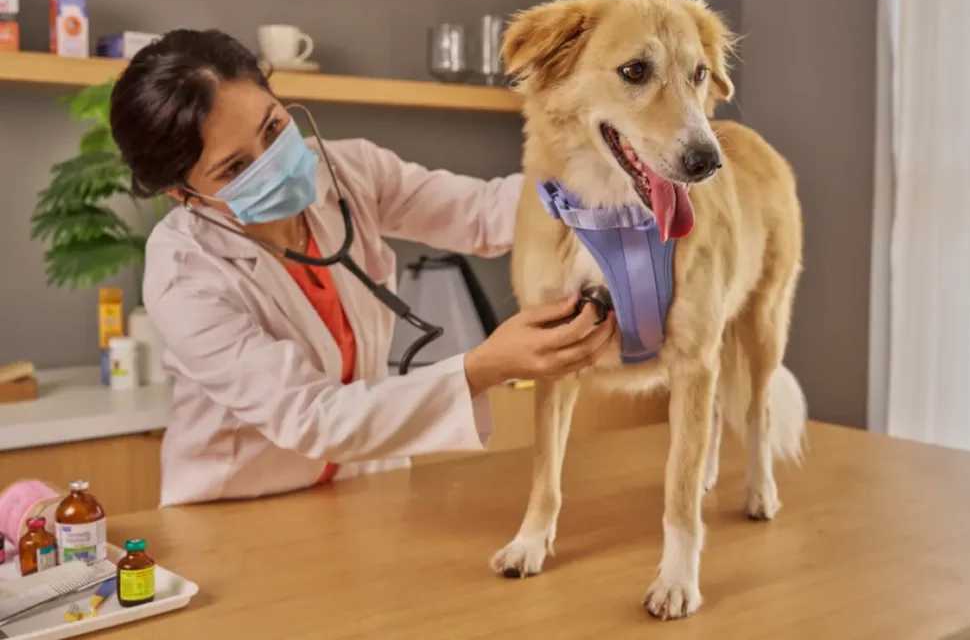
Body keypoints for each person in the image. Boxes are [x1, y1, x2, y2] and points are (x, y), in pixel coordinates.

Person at [108, 29, 615, 507]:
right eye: (235, 168)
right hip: (239, 506)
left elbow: (483, 212)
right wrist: (484, 367)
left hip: (363, 492)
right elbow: (312, 416)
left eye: (273, 127)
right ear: (182, 192)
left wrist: (604, 176)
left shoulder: (348, 172)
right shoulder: (184, 273)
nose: (272, 159)